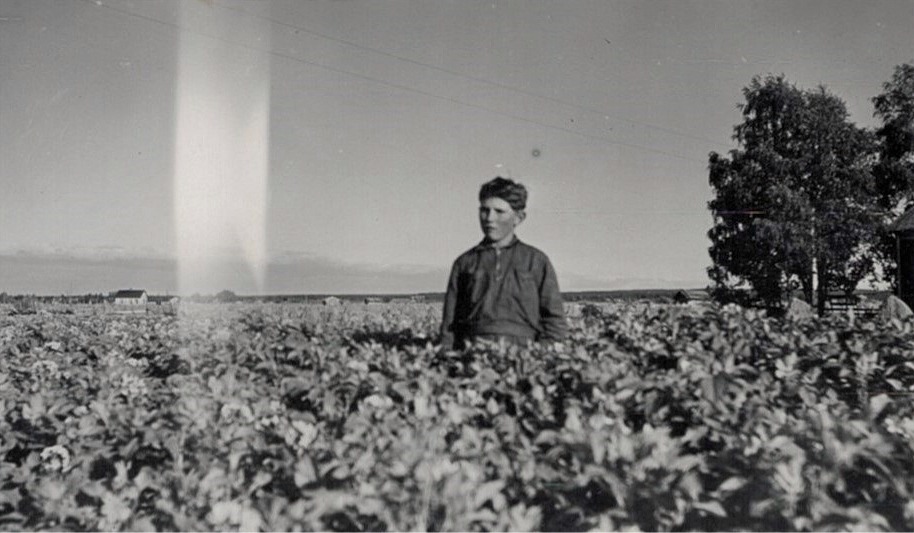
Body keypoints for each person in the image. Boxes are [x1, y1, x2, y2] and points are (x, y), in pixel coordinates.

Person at [440, 177, 567, 349]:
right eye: (484, 210)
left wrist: (541, 356)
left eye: (499, 212)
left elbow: (554, 321)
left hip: (524, 355)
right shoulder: (464, 263)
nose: (489, 218)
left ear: (518, 217)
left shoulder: (536, 260)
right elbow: (450, 325)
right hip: (474, 354)